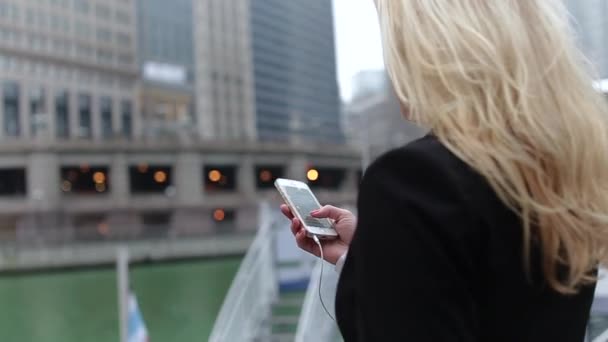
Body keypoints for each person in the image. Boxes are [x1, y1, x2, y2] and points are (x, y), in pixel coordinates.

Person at [280, 0, 608, 341]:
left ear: (429, 49)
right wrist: (374, 253)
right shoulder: (557, 171)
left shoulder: (413, 179)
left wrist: (390, 239)